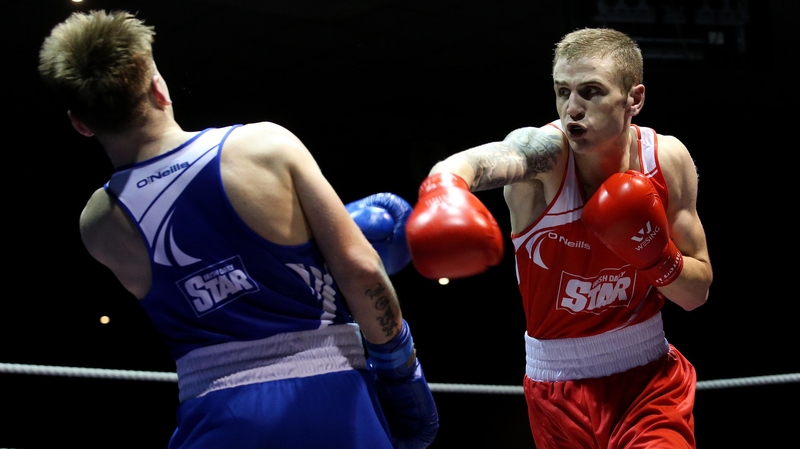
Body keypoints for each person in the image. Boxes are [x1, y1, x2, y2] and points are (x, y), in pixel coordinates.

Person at [38, 10, 438, 449]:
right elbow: (361, 270)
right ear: (158, 89)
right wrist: (401, 372)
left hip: (215, 418)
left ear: (80, 123)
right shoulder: (265, 147)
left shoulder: (99, 222)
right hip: (331, 398)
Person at [406, 27, 712, 448]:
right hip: (557, 389)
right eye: (562, 91)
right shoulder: (547, 157)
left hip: (649, 380)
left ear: (634, 100)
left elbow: (696, 294)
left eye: (591, 92)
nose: (573, 109)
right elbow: (490, 157)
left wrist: (654, 255)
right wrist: (444, 183)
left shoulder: (664, 160)